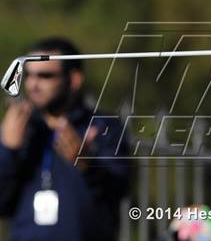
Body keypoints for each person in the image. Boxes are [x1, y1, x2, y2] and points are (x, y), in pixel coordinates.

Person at [0, 38, 131, 241]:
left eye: (45, 76)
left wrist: (88, 165)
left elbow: (119, 189)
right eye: (29, 75)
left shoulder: (104, 126)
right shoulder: (19, 129)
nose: (33, 84)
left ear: (74, 79)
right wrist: (8, 151)